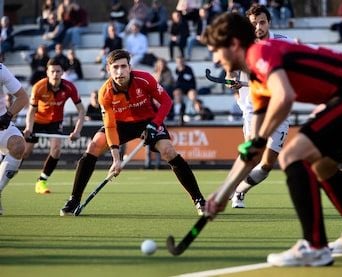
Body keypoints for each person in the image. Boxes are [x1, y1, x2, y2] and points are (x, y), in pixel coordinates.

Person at [202, 12, 342, 267]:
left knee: (291, 155)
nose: (214, 59)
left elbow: (285, 97)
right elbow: (251, 150)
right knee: (322, 165)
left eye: (216, 51)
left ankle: (315, 246)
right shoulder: (256, 82)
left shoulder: (259, 53)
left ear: (233, 45)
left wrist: (260, 137)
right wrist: (222, 194)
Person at [59, 49, 206, 216]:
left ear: (130, 67)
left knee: (168, 151)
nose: (119, 71)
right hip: (120, 124)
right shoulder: (105, 93)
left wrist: (154, 124)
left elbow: (166, 101)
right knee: (93, 146)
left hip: (148, 122)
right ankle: (74, 199)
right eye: (115, 67)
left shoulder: (145, 79)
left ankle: (199, 199)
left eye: (123, 66)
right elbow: (110, 126)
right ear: (108, 69)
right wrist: (116, 159)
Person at [229, 4, 290, 208]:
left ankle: (240, 190)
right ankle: (233, 190)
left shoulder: (283, 43)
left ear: (269, 23)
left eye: (262, 22)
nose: (258, 27)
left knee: (266, 166)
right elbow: (230, 75)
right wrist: (237, 93)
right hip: (253, 109)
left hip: (278, 109)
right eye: (254, 23)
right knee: (252, 157)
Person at [23, 58, 85, 194]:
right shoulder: (38, 87)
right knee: (25, 152)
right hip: (37, 121)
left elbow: (81, 110)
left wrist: (77, 131)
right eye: (52, 71)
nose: (55, 74)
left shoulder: (69, 87)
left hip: (55, 122)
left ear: (62, 72)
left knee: (56, 150)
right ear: (47, 72)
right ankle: (8, 169)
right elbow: (31, 110)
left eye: (58, 71)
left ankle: (41, 181)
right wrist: (29, 128)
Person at [0, 64, 29, 215]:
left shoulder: (0, 69)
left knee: (18, 146)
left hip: (0, 125)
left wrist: (8, 116)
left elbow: (23, 96)